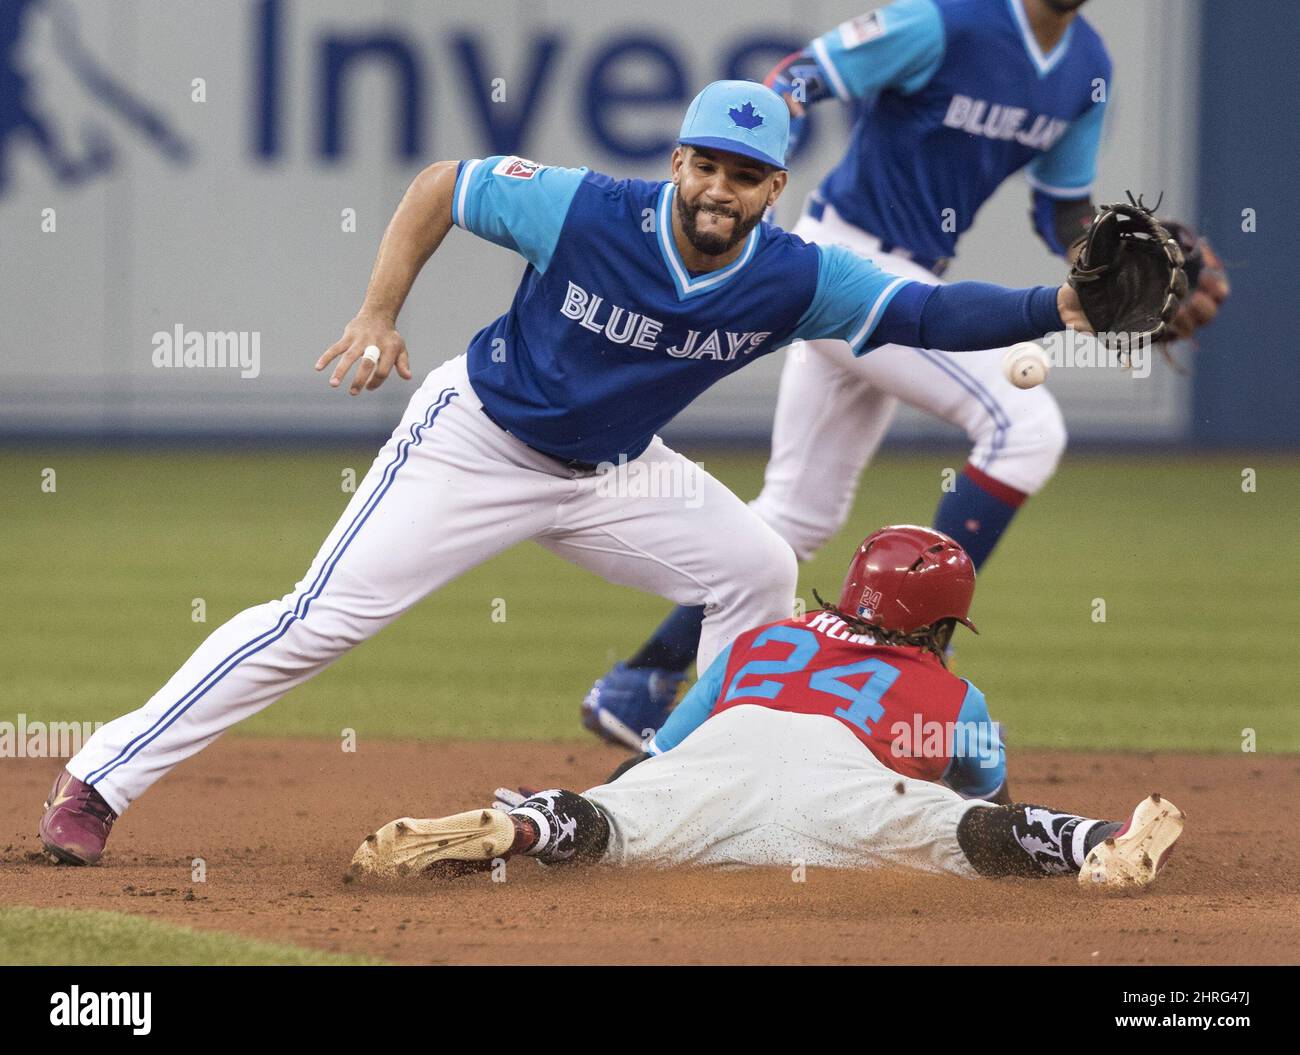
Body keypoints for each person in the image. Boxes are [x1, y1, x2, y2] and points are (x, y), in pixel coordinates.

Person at [40, 79, 1100, 866]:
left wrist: (1058, 304)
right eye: (703, 164)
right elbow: (440, 186)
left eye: (742, 174)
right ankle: (98, 780)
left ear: (775, 187)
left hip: (614, 472)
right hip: (477, 442)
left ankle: (683, 796)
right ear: (678, 162)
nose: (717, 188)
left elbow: (923, 312)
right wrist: (377, 311)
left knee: (754, 569)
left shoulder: (794, 276)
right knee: (317, 620)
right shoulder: (589, 208)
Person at [582, 0, 1229, 749]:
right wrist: (775, 113)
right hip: (848, 265)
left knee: (797, 513)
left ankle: (640, 683)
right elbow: (801, 73)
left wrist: (1120, 266)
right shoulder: (942, 22)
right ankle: (910, 659)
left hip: (907, 280)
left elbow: (1062, 211)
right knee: (1025, 428)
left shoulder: (1087, 69)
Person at [351, 526, 1184, 889]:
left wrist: (617, 804)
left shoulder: (760, 641)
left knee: (617, 817)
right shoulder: (953, 692)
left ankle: (521, 826)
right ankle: (1101, 839)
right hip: (847, 784)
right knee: (957, 836)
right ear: (938, 622)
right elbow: (985, 808)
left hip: (724, 752)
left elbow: (657, 760)